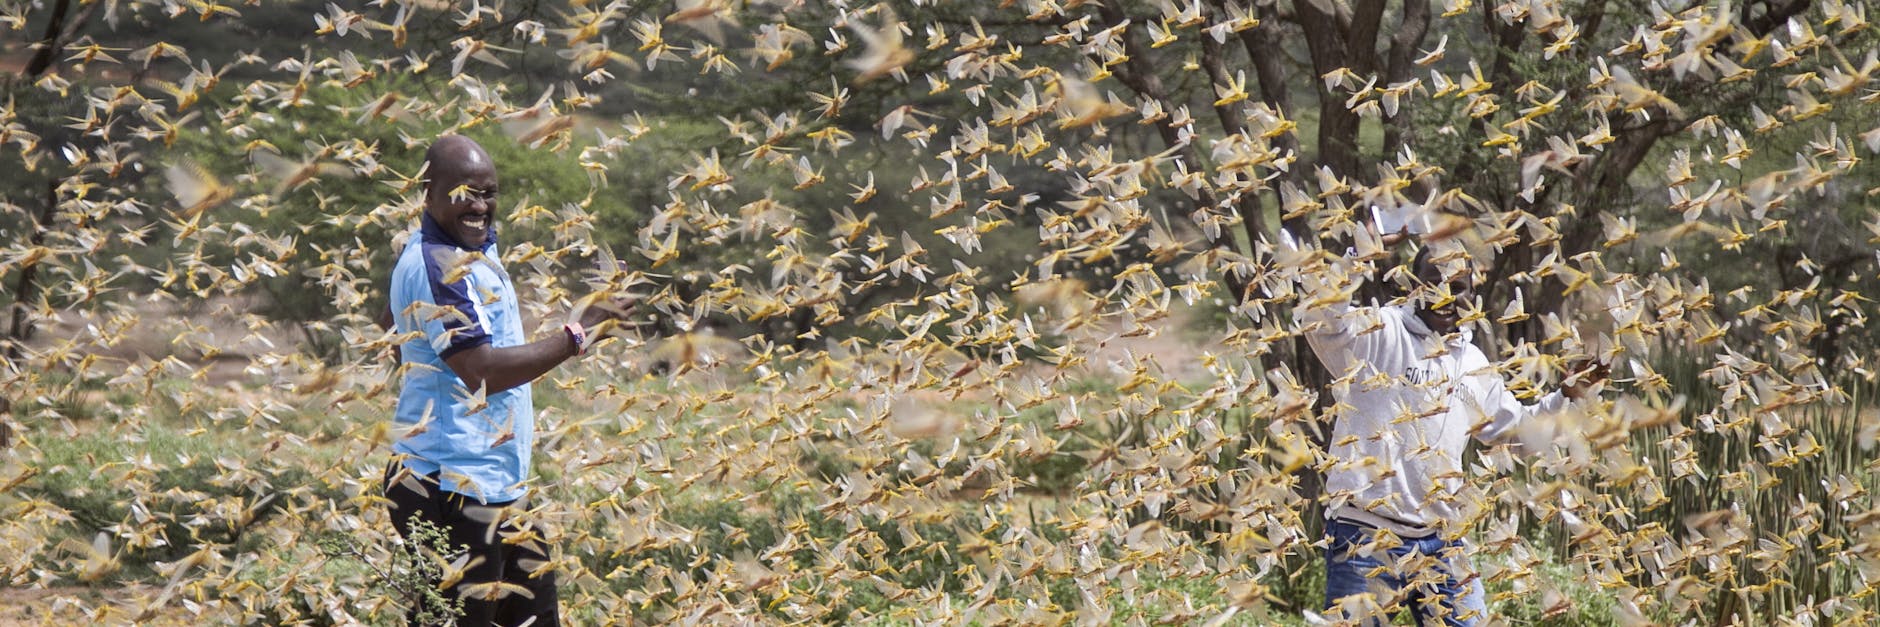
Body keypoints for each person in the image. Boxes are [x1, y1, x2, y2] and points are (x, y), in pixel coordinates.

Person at [1295, 244, 1602, 626]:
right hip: (1366, 535)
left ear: (1472, 293)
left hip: (1443, 540)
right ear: (1413, 285)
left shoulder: (1472, 363)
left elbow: (1515, 434)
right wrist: (1355, 256)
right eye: (1433, 283)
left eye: (1457, 287)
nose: (1445, 295)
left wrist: (1567, 396)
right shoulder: (1381, 332)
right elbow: (1325, 323)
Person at [382, 135, 619, 626]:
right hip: (450, 486)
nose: (479, 206)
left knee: (536, 617)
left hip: (496, 483)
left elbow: (397, 330)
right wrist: (577, 336)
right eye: (464, 193)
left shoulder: (467, 249)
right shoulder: (438, 263)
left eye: (488, 193)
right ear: (428, 193)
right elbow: (480, 370)